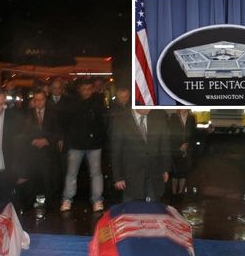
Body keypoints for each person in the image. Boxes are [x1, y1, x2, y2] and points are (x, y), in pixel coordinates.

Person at [60, 79, 106, 212]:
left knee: (96, 173)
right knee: (72, 173)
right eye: (84, 89)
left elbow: (102, 124)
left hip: (93, 144)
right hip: (76, 144)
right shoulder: (72, 103)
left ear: (92, 89)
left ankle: (97, 200)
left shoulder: (98, 102)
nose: (87, 91)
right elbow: (66, 123)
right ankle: (67, 199)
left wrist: (100, 139)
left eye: (89, 89)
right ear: (79, 89)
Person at [110, 107, 172, 202]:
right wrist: (118, 177)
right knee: (132, 209)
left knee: (153, 208)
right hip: (131, 177)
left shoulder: (159, 117)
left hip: (154, 174)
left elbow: (164, 144)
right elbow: (116, 150)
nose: (149, 107)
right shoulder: (120, 120)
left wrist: (165, 168)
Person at [20, 88, 62, 209]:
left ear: (45, 100)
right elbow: (22, 133)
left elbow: (58, 132)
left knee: (47, 178)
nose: (39, 102)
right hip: (31, 152)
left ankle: (49, 204)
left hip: (48, 152)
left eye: (41, 100)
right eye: (36, 100)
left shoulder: (53, 113)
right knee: (32, 178)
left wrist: (47, 140)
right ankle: (31, 203)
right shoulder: (27, 114)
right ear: (33, 100)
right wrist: (32, 140)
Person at [169, 109, 196, 197]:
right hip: (176, 148)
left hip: (187, 149)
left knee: (183, 173)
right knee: (175, 173)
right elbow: (170, 134)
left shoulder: (192, 118)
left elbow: (193, 133)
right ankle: (174, 193)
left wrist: (188, 146)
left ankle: (180, 193)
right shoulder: (174, 117)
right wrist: (178, 147)